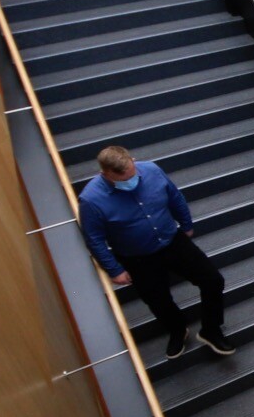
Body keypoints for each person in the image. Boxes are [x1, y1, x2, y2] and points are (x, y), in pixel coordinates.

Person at [79, 146, 234, 360]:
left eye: (132, 174)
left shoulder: (150, 170)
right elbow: (94, 238)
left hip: (172, 240)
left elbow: (174, 196)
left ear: (132, 160)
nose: (131, 181)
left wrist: (186, 224)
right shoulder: (91, 200)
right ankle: (178, 329)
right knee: (158, 301)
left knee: (212, 280)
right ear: (105, 174)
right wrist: (114, 269)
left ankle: (211, 329)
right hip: (138, 257)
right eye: (123, 179)